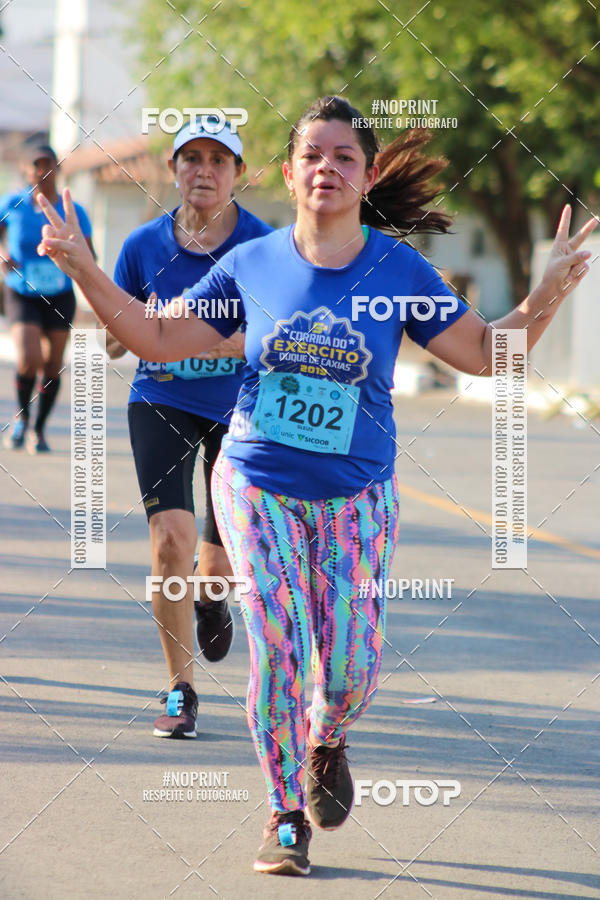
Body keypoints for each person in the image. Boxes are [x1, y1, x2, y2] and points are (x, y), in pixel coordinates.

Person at [36, 95, 595, 877]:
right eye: (312, 155)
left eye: (344, 157)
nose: (326, 168)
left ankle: (328, 738)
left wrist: (548, 294)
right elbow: (156, 337)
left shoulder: (397, 269)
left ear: (365, 178)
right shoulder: (251, 265)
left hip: (357, 497)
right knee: (277, 652)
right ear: (290, 174)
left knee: (351, 667)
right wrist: (82, 265)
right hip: (257, 484)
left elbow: (488, 356)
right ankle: (284, 814)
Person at [103, 120, 272, 739]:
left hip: (240, 407)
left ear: (237, 173)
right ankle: (181, 688)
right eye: (192, 159)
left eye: (218, 161)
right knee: (170, 540)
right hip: (162, 400)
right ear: (173, 170)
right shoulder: (143, 247)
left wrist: (202, 341)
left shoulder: (263, 247)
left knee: (218, 562)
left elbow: (277, 336)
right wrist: (126, 327)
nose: (204, 171)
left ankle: (211, 597)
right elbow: (118, 346)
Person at [0, 141, 94, 453]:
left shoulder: (73, 210)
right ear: (26, 170)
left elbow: (89, 255)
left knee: (53, 366)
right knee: (29, 359)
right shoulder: (13, 203)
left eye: (48, 164)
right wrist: (2, 255)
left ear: (58, 168)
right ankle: (22, 419)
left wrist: (77, 261)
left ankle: (38, 430)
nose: (42, 170)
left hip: (60, 295)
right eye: (36, 164)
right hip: (21, 291)